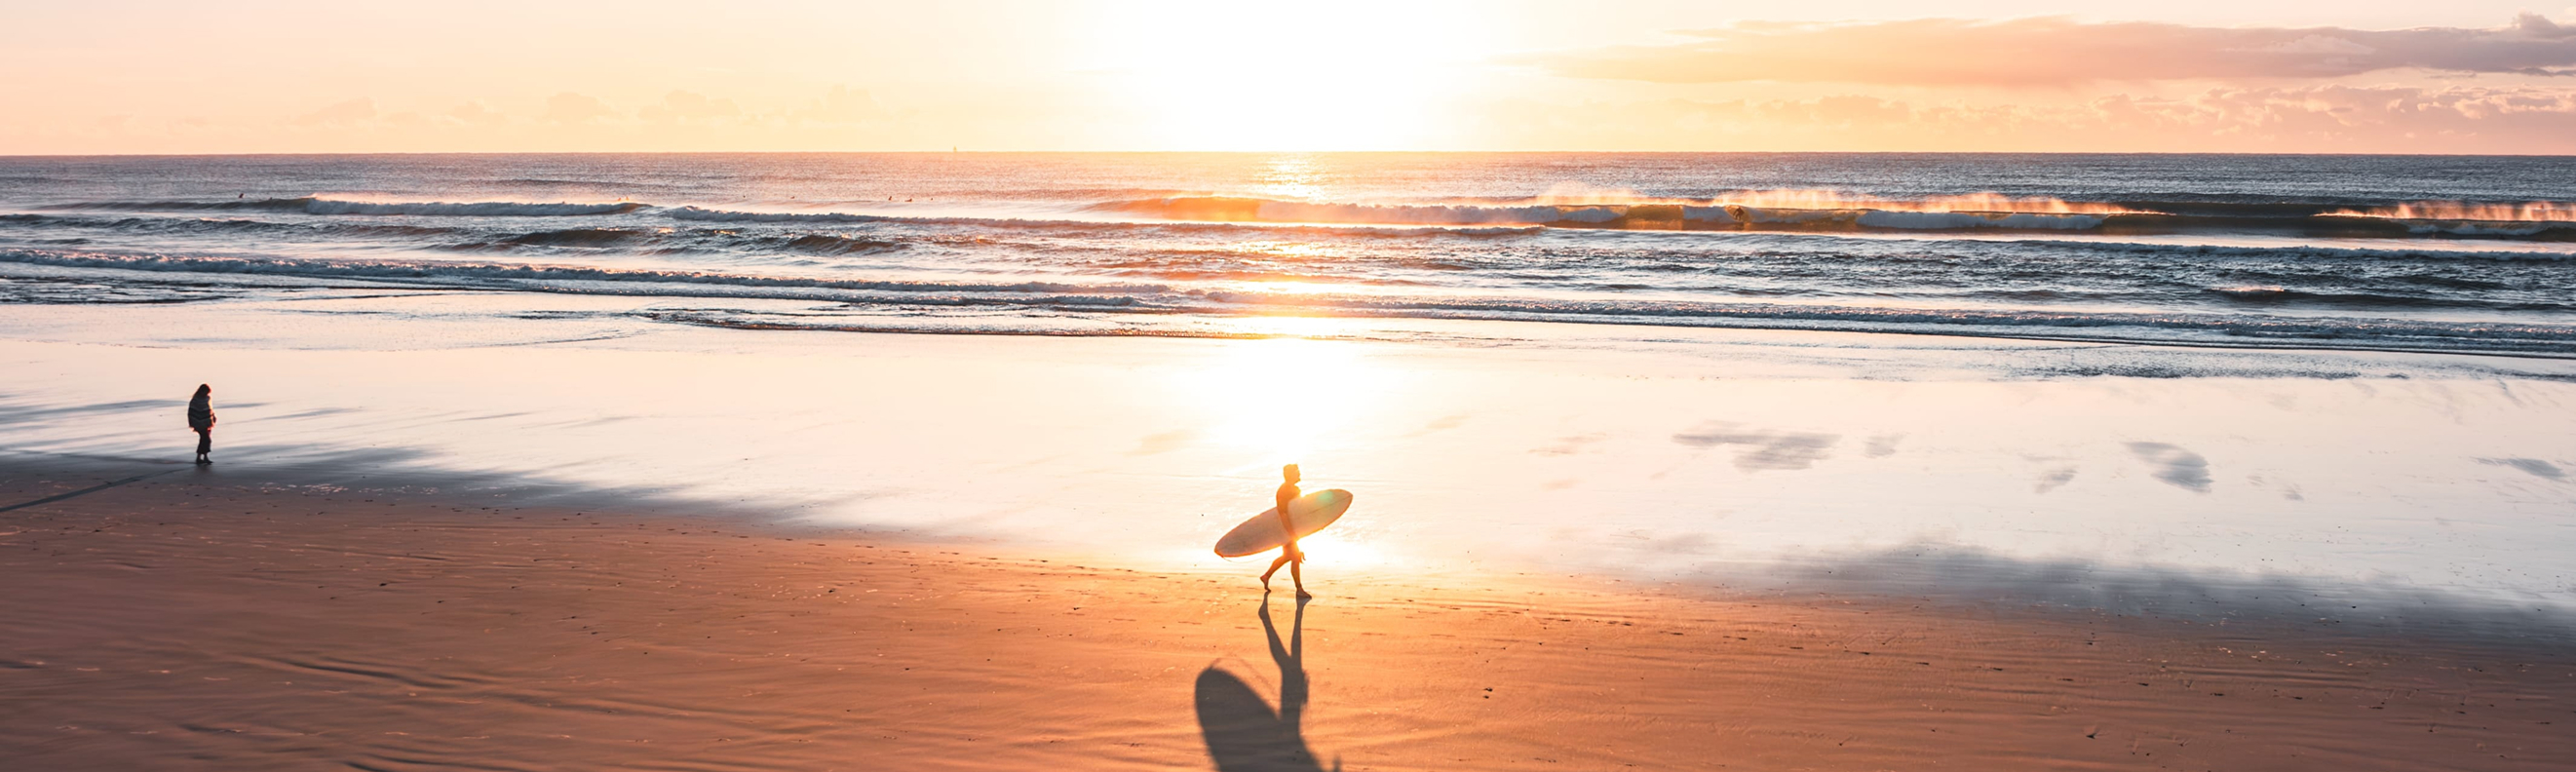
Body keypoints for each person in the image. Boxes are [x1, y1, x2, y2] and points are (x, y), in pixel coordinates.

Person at [1259, 464, 1311, 598]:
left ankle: (1266, 576)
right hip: (1285, 529)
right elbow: (1283, 513)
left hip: (1289, 528)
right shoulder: (1286, 490)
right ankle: (1299, 590)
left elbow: (1297, 511)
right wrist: (1291, 534)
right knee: (1294, 557)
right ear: (1290, 474)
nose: (1299, 474)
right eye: (1296, 472)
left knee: (1289, 556)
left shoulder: (1292, 489)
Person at [186, 384, 216, 464]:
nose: (206, 394)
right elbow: (191, 411)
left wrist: (213, 417)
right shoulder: (195, 400)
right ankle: (200, 457)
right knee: (206, 439)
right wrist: (193, 421)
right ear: (201, 391)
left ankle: (203, 457)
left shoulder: (207, 398)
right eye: (206, 392)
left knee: (205, 439)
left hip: (207, 422)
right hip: (198, 422)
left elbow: (209, 409)